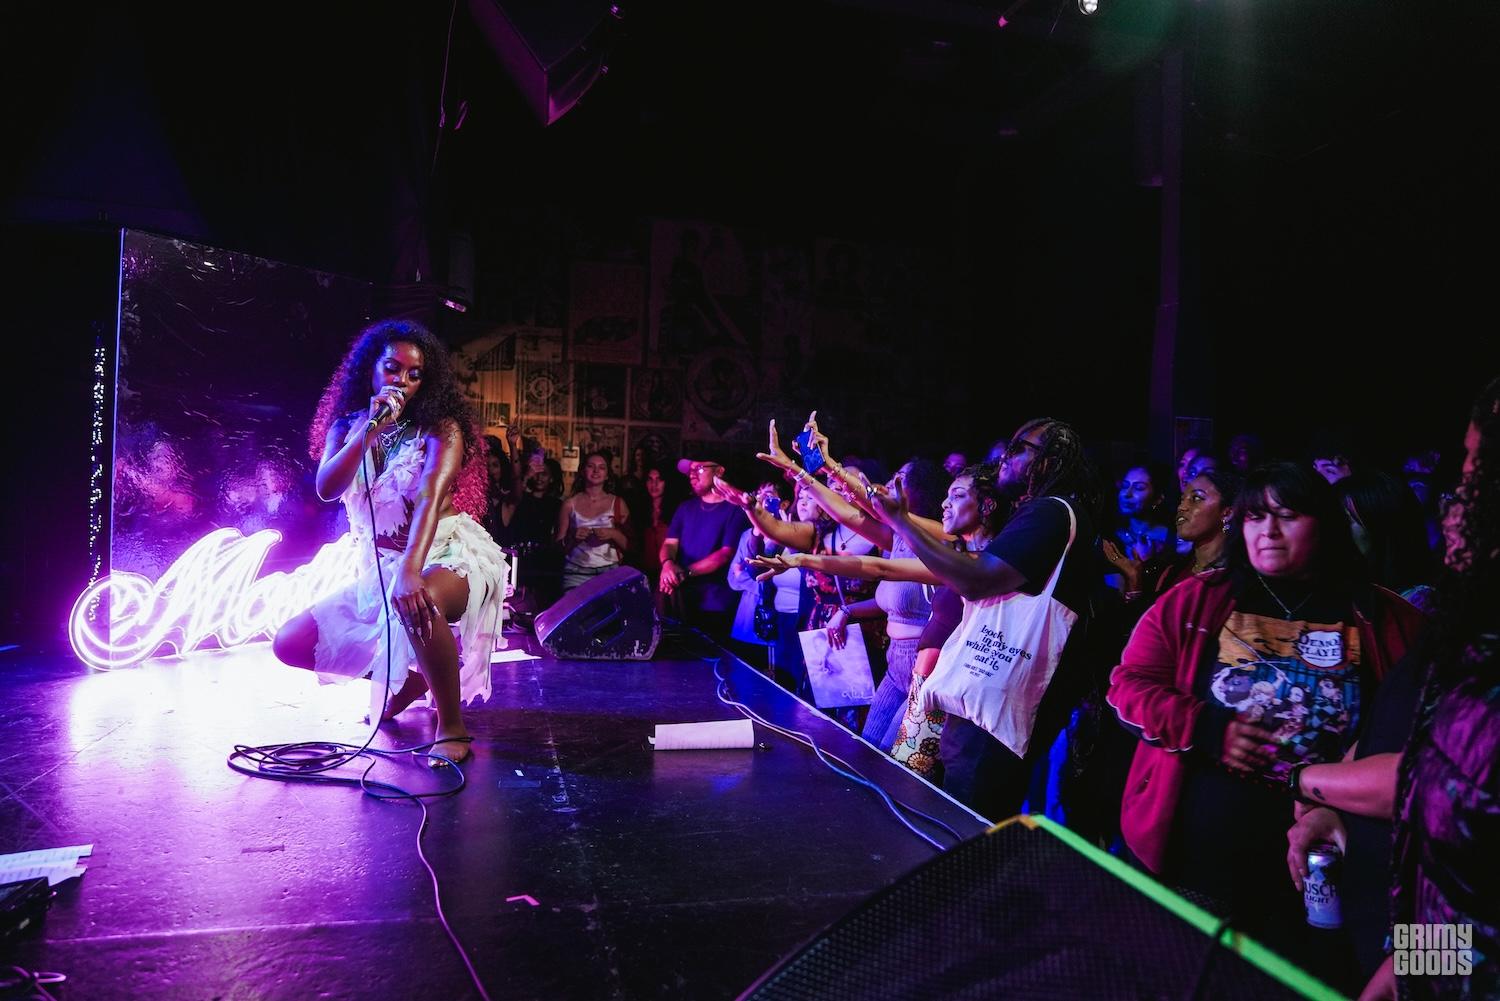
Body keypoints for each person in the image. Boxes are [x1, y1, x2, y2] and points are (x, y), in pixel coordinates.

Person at [1107, 462, 1424, 988]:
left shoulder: (1387, 617)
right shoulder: (1196, 599)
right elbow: (1127, 684)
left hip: (1329, 873)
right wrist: (1206, 728)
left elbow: (1424, 758)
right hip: (1201, 858)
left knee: (1301, 981)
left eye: (1288, 515)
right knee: (1181, 979)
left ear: (1325, 525)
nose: (1268, 531)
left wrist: (1327, 792)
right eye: (1255, 517)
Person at [272, 319, 507, 768]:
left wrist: (411, 571)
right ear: (371, 369)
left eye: (415, 374)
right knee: (290, 643)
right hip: (381, 563)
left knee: (420, 599)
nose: (402, 380)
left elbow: (430, 497)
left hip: (446, 551)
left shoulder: (441, 428)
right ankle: (413, 679)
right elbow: (327, 488)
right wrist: (370, 431)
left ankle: (451, 725)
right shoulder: (348, 427)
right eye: (393, 368)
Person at [1347, 376, 1500, 1001]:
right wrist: (1404, 970)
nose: (1453, 506)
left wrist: (1305, 780)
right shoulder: (1471, 637)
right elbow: (1465, 905)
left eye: (1473, 476)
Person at [869, 418, 1100, 819]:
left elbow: (975, 581)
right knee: (951, 812)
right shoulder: (1044, 514)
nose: (1005, 457)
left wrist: (901, 521)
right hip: (984, 699)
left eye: (1019, 448)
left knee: (963, 821)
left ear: (1050, 461)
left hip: (996, 707)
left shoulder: (1051, 512)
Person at [658, 457, 748, 635]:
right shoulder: (685, 507)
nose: (692, 475)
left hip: (715, 601)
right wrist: (668, 565)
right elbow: (669, 543)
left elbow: (725, 554)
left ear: (719, 471)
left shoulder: (735, 509)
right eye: (690, 470)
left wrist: (683, 573)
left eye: (699, 469)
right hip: (683, 598)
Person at [556, 451, 629, 593]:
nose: (596, 471)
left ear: (607, 475)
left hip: (609, 571)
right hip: (576, 571)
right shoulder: (569, 504)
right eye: (591, 466)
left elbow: (631, 546)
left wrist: (613, 534)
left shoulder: (618, 503)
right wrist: (573, 537)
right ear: (583, 471)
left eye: (601, 467)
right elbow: (558, 547)